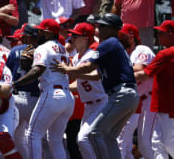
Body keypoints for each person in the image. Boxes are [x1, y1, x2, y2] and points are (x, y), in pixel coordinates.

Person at [50, 13, 140, 159]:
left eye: (102, 26)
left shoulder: (109, 42)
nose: (98, 28)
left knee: (93, 133)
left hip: (120, 94)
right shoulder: (114, 44)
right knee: (109, 137)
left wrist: (66, 69)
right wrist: (73, 74)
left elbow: (88, 67)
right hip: (128, 95)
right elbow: (96, 75)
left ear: (112, 29)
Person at [13, 19, 75, 159]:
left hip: (52, 94)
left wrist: (16, 84)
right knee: (55, 140)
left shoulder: (43, 47)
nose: (37, 33)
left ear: (46, 33)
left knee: (33, 134)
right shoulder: (62, 48)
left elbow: (38, 70)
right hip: (67, 97)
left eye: (40, 31)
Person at [135, 20, 174, 159]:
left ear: (171, 35)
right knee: (157, 143)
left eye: (161, 33)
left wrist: (121, 75)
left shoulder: (169, 53)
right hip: (165, 105)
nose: (158, 36)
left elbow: (144, 74)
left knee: (173, 145)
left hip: (172, 107)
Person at [67, 22, 108, 159]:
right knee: (86, 141)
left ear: (85, 38)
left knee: (83, 139)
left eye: (76, 36)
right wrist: (61, 88)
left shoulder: (92, 55)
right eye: (72, 35)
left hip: (101, 102)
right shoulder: (76, 59)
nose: (72, 38)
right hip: (89, 105)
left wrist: (74, 74)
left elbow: (95, 76)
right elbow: (79, 85)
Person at [117, 23, 156, 159]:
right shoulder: (127, 55)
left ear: (131, 37)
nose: (119, 39)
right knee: (130, 144)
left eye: (122, 36)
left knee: (147, 143)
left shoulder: (142, 49)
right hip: (138, 101)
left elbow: (140, 68)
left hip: (150, 99)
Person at [6, 23, 40, 159]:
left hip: (16, 99)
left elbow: (7, 72)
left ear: (25, 37)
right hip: (35, 100)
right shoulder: (40, 51)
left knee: (11, 138)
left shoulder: (15, 50)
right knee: (37, 138)